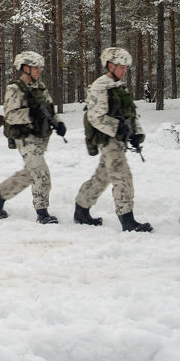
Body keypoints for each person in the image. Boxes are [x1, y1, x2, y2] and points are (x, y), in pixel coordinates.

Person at [75, 47, 152, 232]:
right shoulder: (100, 86)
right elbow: (96, 117)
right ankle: (127, 220)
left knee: (102, 177)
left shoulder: (118, 85)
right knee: (122, 177)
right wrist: (119, 129)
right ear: (110, 65)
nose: (124, 70)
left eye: (126, 67)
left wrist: (136, 133)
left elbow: (130, 113)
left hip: (118, 139)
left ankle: (81, 209)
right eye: (120, 66)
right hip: (108, 140)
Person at [0, 51, 64, 224]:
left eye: (40, 68)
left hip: (40, 136)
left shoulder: (40, 87)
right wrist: (31, 113)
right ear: (25, 68)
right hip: (25, 137)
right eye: (36, 68)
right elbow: (11, 116)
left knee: (30, 173)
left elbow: (49, 109)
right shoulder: (15, 88)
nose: (39, 71)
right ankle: (42, 212)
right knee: (40, 173)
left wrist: (58, 123)